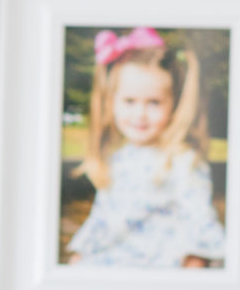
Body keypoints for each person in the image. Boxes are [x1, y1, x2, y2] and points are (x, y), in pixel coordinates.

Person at [66, 26, 226, 270]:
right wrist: (81, 254)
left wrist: (196, 261)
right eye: (129, 101)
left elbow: (198, 216)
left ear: (172, 105)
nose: (139, 114)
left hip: (160, 268)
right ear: (112, 102)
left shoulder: (181, 160)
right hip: (113, 262)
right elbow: (103, 218)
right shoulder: (115, 159)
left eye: (154, 103)